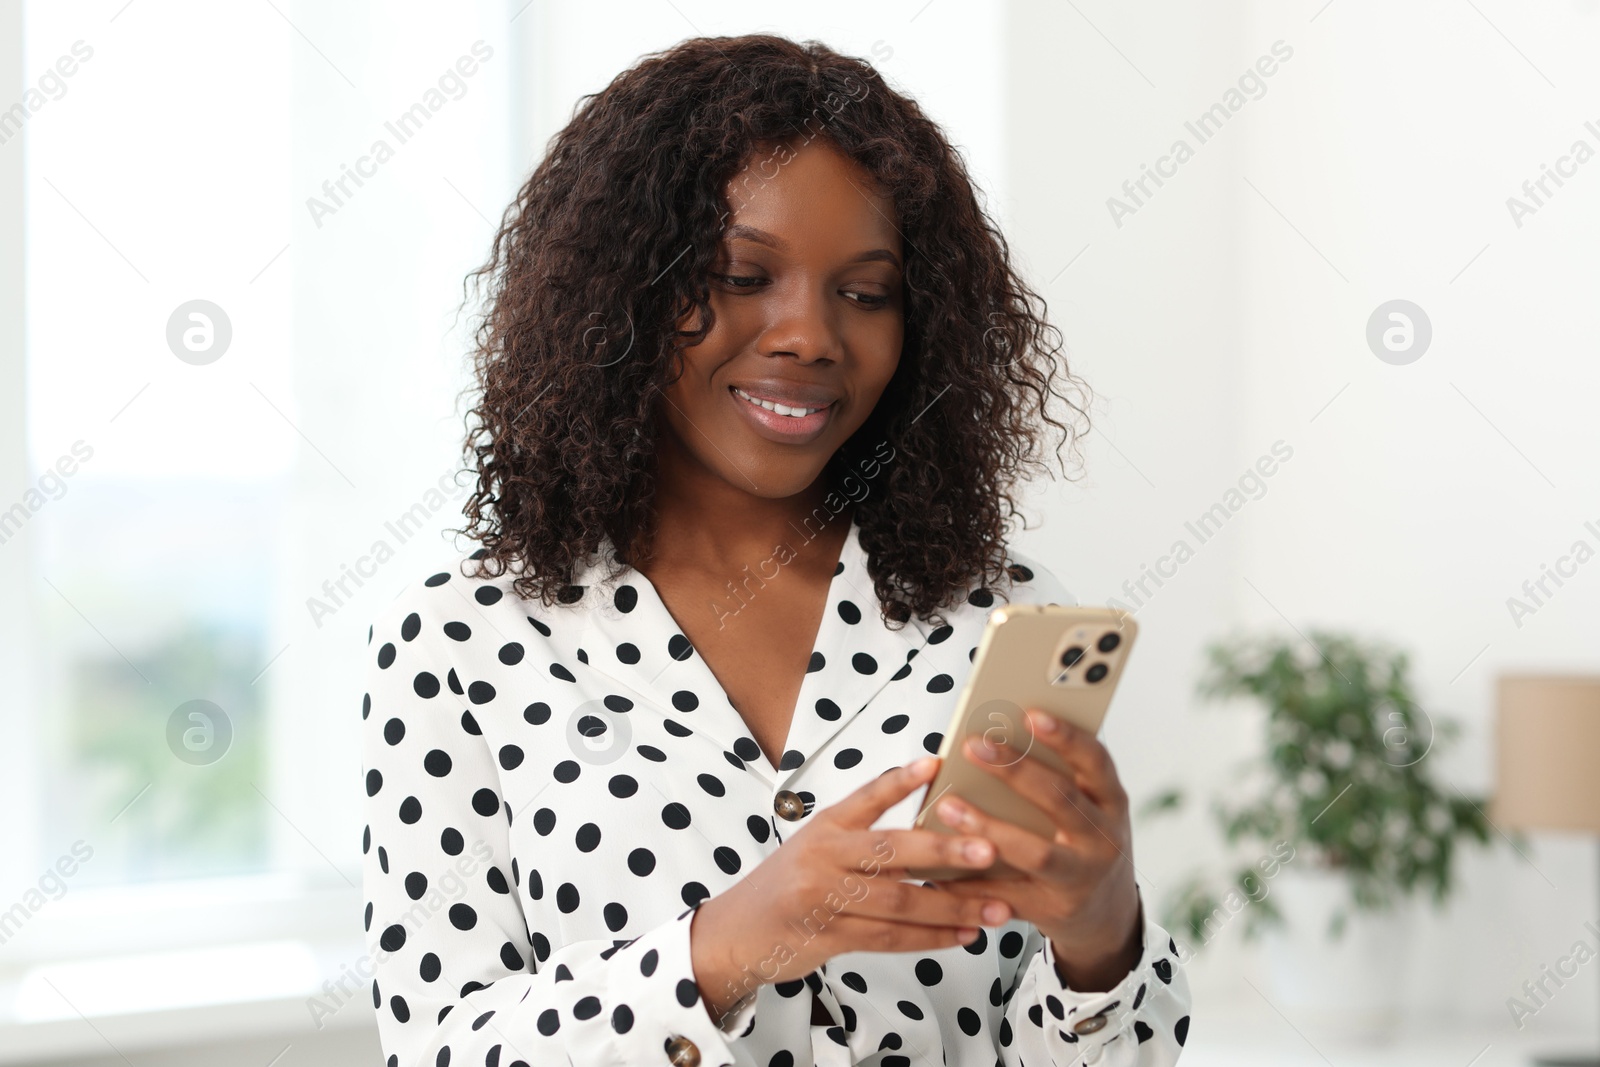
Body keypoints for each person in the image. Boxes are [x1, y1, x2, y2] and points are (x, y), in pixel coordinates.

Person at [361, 32, 1191, 1067]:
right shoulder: (459, 638)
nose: (809, 334)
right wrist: (726, 946)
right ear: (624, 291)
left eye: (866, 291)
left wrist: (1102, 934)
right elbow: (439, 1047)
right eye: (741, 274)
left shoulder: (1001, 621)